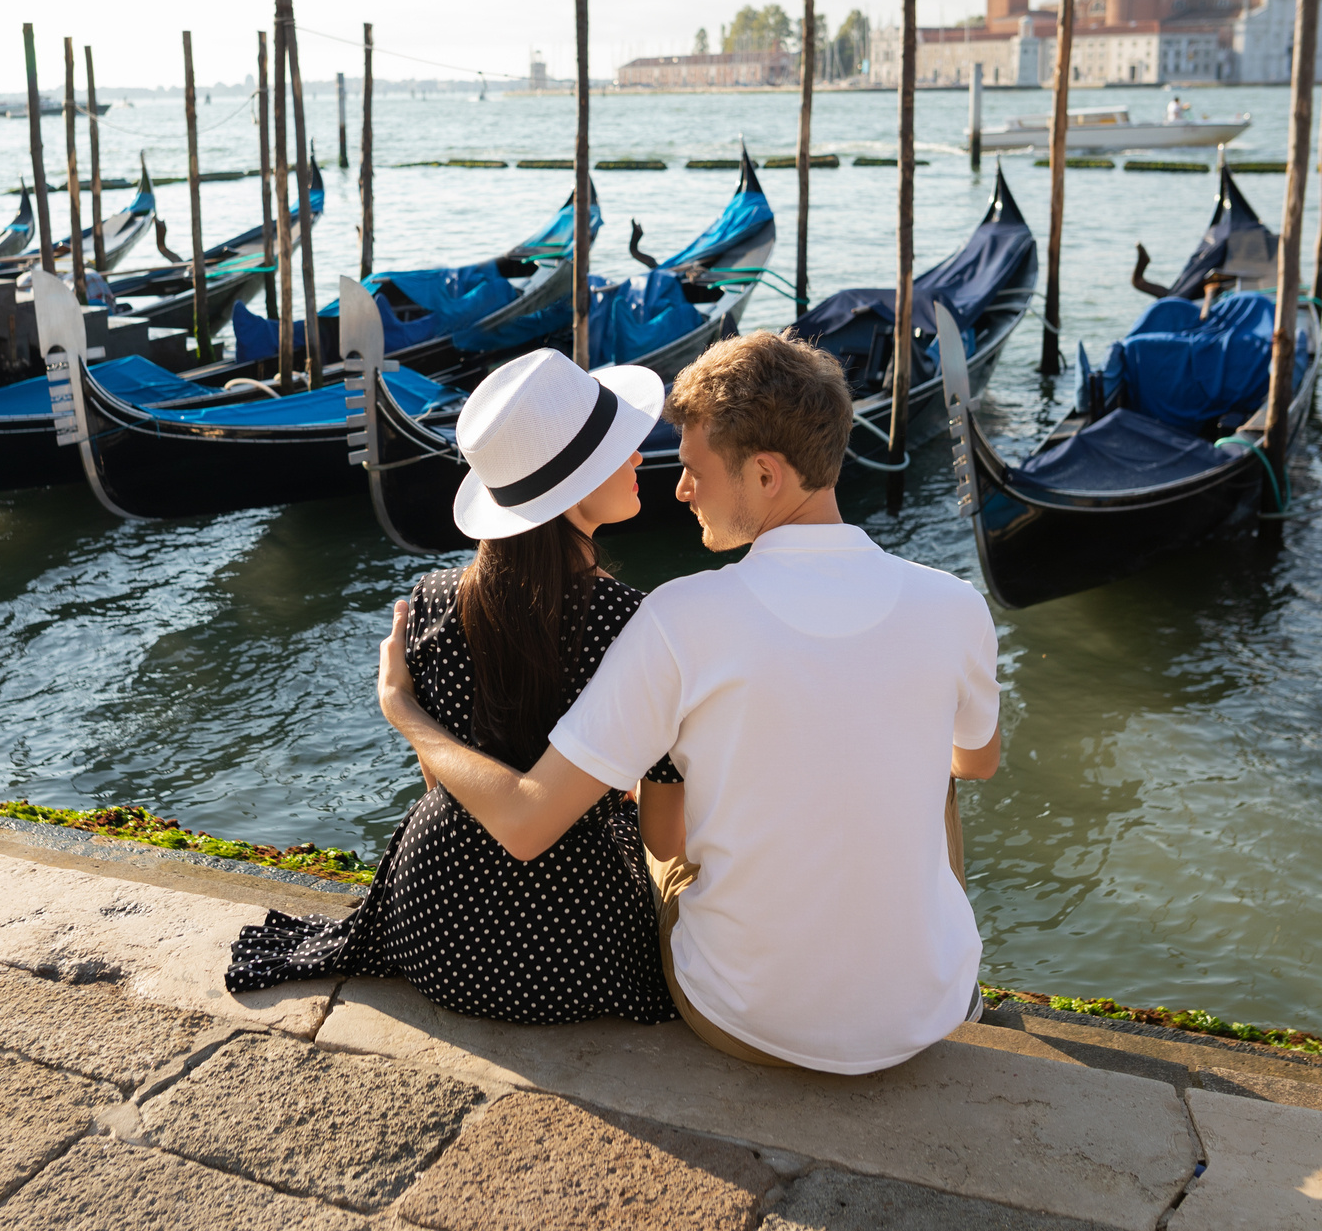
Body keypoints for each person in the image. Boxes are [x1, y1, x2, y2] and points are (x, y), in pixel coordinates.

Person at [373, 332, 1002, 1075]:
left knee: (675, 793)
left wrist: (404, 712)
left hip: (736, 1013)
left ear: (765, 474)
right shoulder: (956, 604)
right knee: (938, 773)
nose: (679, 488)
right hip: (925, 1016)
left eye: (695, 470)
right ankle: (907, 965)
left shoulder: (677, 618)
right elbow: (977, 761)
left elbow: (559, 822)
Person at [225, 348, 681, 1026]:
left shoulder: (433, 598)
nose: (639, 455)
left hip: (432, 924)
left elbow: (441, 779)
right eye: (619, 449)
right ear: (574, 485)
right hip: (570, 950)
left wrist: (403, 707)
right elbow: (664, 837)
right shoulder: (636, 623)